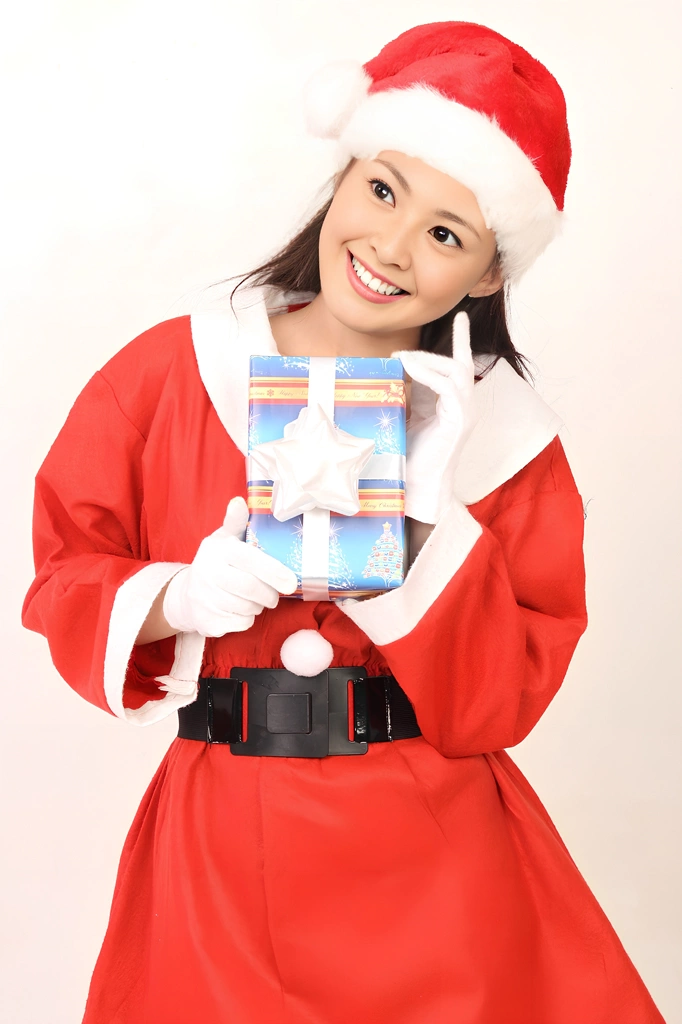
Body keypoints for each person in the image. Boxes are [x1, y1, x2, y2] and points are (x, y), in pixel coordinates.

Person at [22, 20, 666, 1024]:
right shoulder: (170, 371)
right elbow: (63, 567)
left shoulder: (502, 435)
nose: (391, 248)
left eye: (447, 235)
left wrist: (424, 531)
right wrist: (169, 598)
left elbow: (505, 698)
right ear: (345, 172)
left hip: (438, 866)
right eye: (382, 191)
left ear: (490, 274)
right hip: (219, 856)